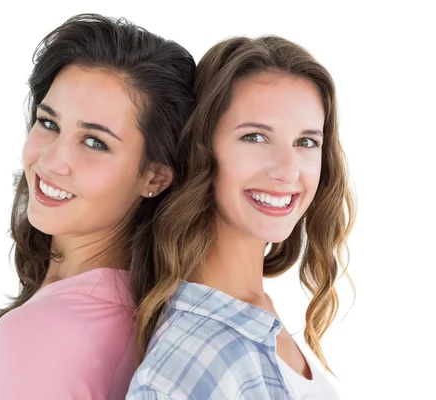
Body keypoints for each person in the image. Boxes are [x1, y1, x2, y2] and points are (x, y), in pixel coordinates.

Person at [0, 13, 195, 400]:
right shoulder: (129, 308)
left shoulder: (49, 330)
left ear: (154, 177)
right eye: (49, 123)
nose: (51, 161)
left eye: (94, 142)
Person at [127, 35, 356, 399]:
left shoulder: (256, 316)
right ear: (200, 151)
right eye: (254, 137)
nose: (288, 170)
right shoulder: (190, 363)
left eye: (306, 142)